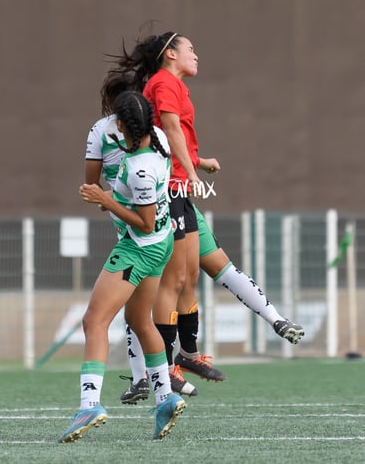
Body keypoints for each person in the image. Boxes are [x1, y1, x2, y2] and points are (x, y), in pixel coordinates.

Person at [100, 31, 304, 403]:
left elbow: (170, 135)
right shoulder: (164, 83)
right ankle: (162, 369)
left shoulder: (171, 83)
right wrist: (189, 173)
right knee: (172, 281)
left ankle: (187, 357)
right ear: (170, 54)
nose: (197, 55)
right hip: (168, 190)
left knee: (190, 275)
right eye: (191, 49)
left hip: (178, 184)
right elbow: (170, 127)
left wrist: (197, 162)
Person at [57, 91, 186, 443]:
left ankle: (89, 404)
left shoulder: (139, 167)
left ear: (122, 126)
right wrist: (116, 199)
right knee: (141, 321)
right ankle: (164, 399)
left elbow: (142, 222)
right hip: (162, 243)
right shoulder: (158, 141)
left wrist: (106, 200)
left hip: (139, 248)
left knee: (94, 321)